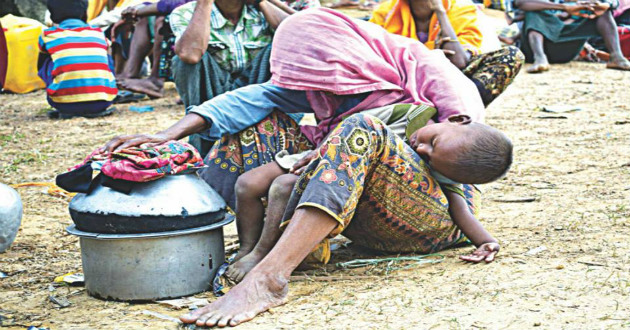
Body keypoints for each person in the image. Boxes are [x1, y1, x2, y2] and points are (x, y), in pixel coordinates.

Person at [101, 9, 511, 327]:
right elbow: (252, 99)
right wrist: (168, 135)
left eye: (329, 83)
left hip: (429, 214)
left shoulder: (439, 93)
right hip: (359, 205)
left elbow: (462, 169)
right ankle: (264, 244)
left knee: (358, 127)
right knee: (255, 122)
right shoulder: (321, 84)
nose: (320, 93)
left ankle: (270, 277)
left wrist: (481, 236)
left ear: (355, 67)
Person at [170, 0, 318, 155]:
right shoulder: (186, 12)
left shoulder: (260, 8)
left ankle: (278, 132)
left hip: (259, 89)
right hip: (214, 89)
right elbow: (190, 55)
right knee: (184, 63)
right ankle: (204, 140)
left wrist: (263, 2)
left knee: (287, 49)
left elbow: (304, 40)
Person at [370, 0, 525, 105]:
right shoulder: (385, 12)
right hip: (402, 84)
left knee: (511, 56)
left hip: (448, 85)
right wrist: (428, 56)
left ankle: (459, 115)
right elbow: (372, 58)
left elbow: (459, 61)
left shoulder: (459, 7)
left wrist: (440, 12)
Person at [38, 0, 117, 119]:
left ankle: (64, 91)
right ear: (85, 13)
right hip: (103, 101)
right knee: (106, 55)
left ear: (52, 16)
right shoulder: (98, 33)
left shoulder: (47, 35)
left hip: (63, 104)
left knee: (49, 59)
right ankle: (102, 87)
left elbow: (40, 66)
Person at [515, 0, 630, 72]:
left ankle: (617, 57)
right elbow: (521, 3)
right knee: (534, 11)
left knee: (603, 11)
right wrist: (565, 8)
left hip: (567, 48)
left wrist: (604, 4)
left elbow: (616, 2)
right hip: (534, 48)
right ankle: (540, 58)